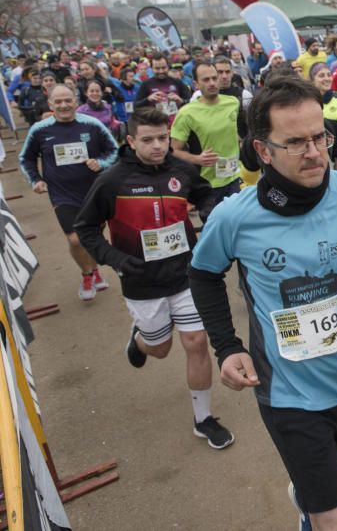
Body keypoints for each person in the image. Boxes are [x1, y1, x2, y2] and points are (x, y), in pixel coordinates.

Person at [188, 75, 337, 531]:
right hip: (285, 392)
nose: (313, 152)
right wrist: (227, 347)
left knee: (332, 466)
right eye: (295, 143)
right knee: (336, 515)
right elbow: (203, 274)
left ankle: (307, 492)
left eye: (319, 137)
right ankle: (317, 504)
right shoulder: (235, 216)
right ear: (263, 150)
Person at [73, 107, 234, 449]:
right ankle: (140, 341)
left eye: (163, 138)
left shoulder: (181, 170)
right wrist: (114, 258)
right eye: (148, 140)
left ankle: (203, 419)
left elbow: (203, 193)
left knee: (196, 342)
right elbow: (85, 228)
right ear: (131, 141)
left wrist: (207, 210)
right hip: (142, 282)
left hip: (187, 274)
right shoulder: (112, 180)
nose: (158, 146)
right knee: (160, 349)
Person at [18, 84, 118, 301]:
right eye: (58, 102)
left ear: (76, 101)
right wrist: (35, 179)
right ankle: (86, 275)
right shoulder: (40, 129)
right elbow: (26, 158)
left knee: (92, 237)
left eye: (68, 100)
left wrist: (100, 163)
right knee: (75, 240)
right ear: (51, 104)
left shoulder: (92, 125)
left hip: (93, 193)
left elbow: (113, 150)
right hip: (62, 195)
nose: (63, 105)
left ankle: (95, 270)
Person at [170, 62, 242, 221]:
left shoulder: (233, 102)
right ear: (196, 84)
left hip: (233, 178)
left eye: (214, 78)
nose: (212, 83)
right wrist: (196, 159)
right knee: (214, 231)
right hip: (208, 186)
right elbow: (173, 150)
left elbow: (235, 132)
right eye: (206, 79)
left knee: (237, 226)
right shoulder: (187, 113)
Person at [135, 53, 191, 124]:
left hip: (177, 126)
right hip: (156, 126)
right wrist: (148, 99)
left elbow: (191, 103)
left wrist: (181, 101)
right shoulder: (146, 84)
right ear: (151, 69)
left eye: (163, 68)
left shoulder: (177, 82)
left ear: (168, 67)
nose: (161, 71)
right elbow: (136, 106)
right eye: (157, 68)